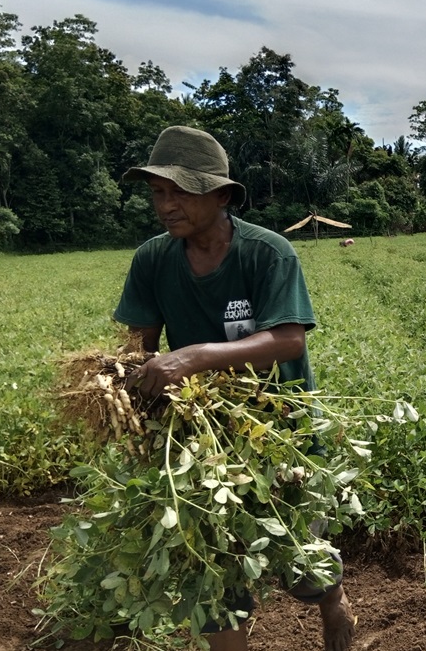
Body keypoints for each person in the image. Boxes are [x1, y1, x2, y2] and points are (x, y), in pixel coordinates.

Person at [112, 125, 356, 651]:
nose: (166, 205)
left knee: (300, 560)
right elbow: (139, 347)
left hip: (280, 433)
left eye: (180, 191)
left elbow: (288, 340)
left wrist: (193, 357)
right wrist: (130, 386)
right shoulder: (152, 259)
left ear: (221, 195)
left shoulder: (267, 253)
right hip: (199, 440)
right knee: (213, 573)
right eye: (157, 192)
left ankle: (334, 604)